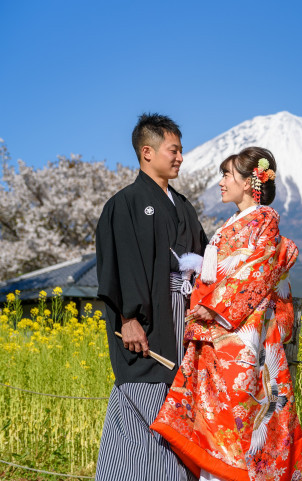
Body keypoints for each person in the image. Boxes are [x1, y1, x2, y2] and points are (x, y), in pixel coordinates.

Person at [151, 147, 302, 481]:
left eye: (227, 175)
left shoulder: (264, 220)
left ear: (251, 182)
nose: (221, 182)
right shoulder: (237, 222)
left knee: (238, 427)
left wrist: (210, 308)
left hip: (239, 340)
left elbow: (254, 274)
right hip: (221, 338)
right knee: (216, 424)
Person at [95, 113, 208, 481]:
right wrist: (128, 319)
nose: (179, 158)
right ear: (147, 152)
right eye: (173, 150)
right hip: (146, 323)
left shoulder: (184, 206)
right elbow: (120, 264)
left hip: (183, 316)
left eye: (180, 151)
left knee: (179, 408)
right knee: (141, 405)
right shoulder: (125, 204)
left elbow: (206, 259)